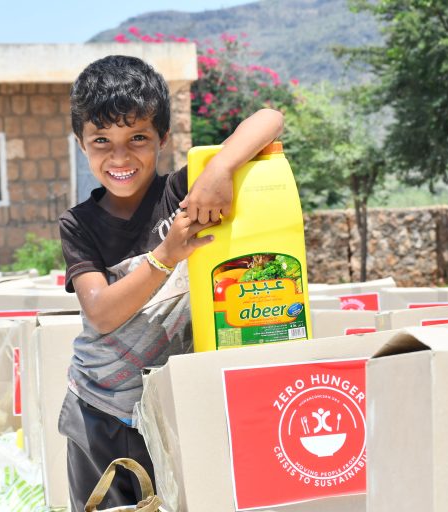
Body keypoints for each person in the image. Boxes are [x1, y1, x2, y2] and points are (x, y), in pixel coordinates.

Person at [58, 54, 284, 511]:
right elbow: (100, 312)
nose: (119, 157)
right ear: (81, 143)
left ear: (163, 138)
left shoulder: (184, 194)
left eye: (137, 138)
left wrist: (220, 169)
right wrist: (166, 256)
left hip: (172, 402)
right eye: (101, 140)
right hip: (99, 408)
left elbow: (270, 118)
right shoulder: (78, 224)